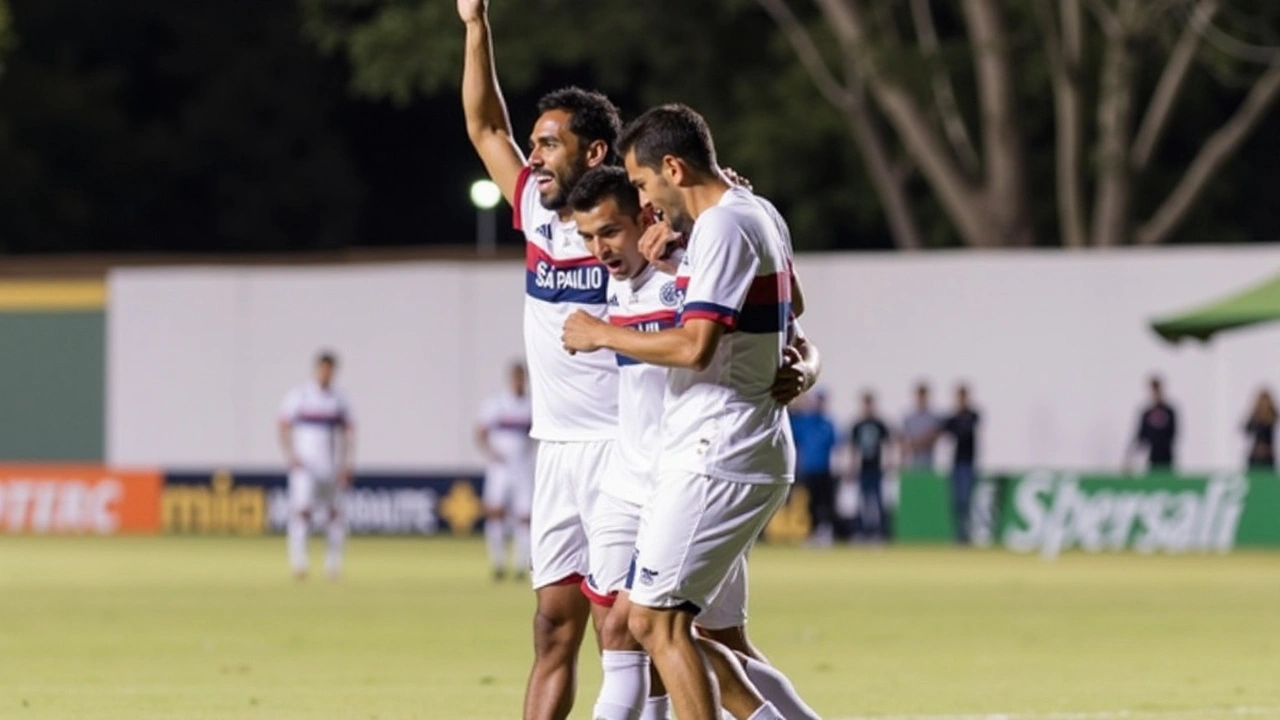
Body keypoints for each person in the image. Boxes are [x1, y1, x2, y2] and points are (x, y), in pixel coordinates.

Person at [562, 103, 798, 720]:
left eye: (642, 183)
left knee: (658, 624)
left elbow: (695, 347)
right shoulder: (757, 213)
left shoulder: (721, 225)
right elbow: (790, 309)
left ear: (672, 166)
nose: (645, 199)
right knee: (660, 624)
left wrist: (603, 334)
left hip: (715, 449)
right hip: (736, 447)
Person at [458, 3, 621, 717]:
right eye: (535, 142)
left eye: (549, 143)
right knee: (554, 629)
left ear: (593, 154)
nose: (533, 155)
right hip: (556, 451)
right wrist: (475, 25)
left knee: (627, 634)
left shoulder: (641, 226)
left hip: (625, 448)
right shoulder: (534, 211)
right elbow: (484, 127)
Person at [277, 351, 354, 581]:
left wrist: (347, 463)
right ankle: (299, 563)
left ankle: (333, 565)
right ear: (316, 369)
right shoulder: (299, 396)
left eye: (329, 369)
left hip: (330, 466)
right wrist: (290, 455)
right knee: (302, 512)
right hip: (305, 466)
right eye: (322, 369)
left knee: (334, 515)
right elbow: (282, 426)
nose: (325, 373)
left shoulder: (339, 399)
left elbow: (349, 433)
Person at [476, 361, 535, 581]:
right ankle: (498, 563)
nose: (519, 382)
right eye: (515, 378)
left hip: (523, 467)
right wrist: (490, 452)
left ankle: (521, 564)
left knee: (524, 517)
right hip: (500, 468)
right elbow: (480, 432)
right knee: (495, 513)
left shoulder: (531, 405)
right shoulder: (496, 404)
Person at [789, 389, 838, 546]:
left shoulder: (827, 423)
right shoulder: (804, 422)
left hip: (824, 470)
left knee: (825, 504)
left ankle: (824, 532)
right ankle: (811, 532)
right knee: (810, 504)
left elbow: (835, 446)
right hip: (808, 469)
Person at [850, 391, 894, 542]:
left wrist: (889, 461)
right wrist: (852, 466)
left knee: (878, 501)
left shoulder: (879, 424)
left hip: (876, 468)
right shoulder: (858, 425)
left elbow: (888, 444)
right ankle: (861, 532)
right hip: (863, 468)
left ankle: (880, 533)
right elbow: (853, 448)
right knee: (862, 502)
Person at [941, 384, 979, 545]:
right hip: (956, 463)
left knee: (966, 500)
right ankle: (959, 534)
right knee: (956, 501)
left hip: (968, 463)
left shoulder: (972, 415)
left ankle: (967, 533)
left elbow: (965, 430)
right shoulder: (953, 418)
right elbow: (945, 430)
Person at [1126, 375, 1177, 473]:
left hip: (1167, 456)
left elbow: (1174, 433)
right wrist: (1130, 458)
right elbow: (1140, 436)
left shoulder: (1169, 412)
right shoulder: (1147, 413)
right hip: (1151, 456)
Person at [901, 382, 941, 470]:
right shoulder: (909, 418)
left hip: (929, 463)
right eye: (919, 396)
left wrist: (916, 444)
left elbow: (934, 437)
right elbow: (903, 442)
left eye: (923, 396)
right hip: (912, 464)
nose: (921, 399)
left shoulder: (933, 418)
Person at [1244, 388, 1276, 470]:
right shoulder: (1255, 416)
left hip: (1267, 455)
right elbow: (1247, 430)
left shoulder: (1272, 415)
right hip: (1256, 454)